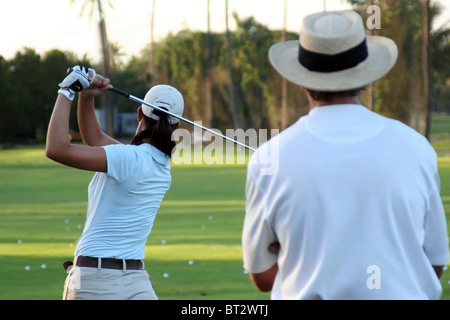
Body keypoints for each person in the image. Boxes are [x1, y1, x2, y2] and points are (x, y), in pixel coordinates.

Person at [242, 10, 449, 300]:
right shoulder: (416, 147)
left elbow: (262, 275)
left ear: (301, 79)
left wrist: (300, 256)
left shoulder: (269, 158)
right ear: (366, 78)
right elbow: (435, 262)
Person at [46, 66, 184, 300]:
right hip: (136, 281)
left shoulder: (128, 158)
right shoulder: (160, 167)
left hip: (92, 281)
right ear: (176, 127)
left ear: (139, 114)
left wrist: (67, 90)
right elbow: (95, 139)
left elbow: (57, 149)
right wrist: (86, 97)